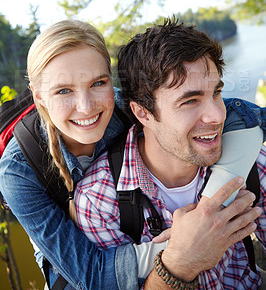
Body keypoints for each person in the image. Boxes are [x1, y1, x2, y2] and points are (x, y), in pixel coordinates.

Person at [0, 19, 263, 290]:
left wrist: (213, 202)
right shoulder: (17, 172)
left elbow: (232, 114)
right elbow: (91, 275)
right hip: (72, 261)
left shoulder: (124, 106)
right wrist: (187, 246)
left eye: (98, 83)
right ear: (39, 97)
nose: (86, 106)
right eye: (63, 90)